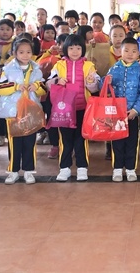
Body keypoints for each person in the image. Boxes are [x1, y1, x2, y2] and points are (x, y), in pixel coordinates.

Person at [47, 34, 100, 182]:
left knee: (81, 139)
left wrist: (91, 82)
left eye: (78, 48)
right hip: (64, 109)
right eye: (71, 48)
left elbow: (95, 87)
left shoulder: (89, 65)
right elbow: (48, 84)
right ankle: (64, 168)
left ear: (83, 49)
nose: (75, 51)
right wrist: (57, 81)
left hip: (83, 109)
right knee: (65, 140)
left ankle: (82, 168)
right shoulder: (59, 65)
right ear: (65, 49)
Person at [0, 38, 47, 185]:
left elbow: (44, 88)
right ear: (14, 53)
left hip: (30, 111)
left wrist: (36, 86)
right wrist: (15, 87)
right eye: (21, 52)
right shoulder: (7, 69)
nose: (25, 55)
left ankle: (29, 171)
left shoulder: (36, 69)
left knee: (30, 142)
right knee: (14, 142)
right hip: (12, 112)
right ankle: (13, 171)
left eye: (28, 52)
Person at [107, 37, 140, 182]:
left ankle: (131, 168)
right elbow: (105, 88)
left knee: (132, 142)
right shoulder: (114, 68)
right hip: (116, 114)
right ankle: (117, 168)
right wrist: (105, 81)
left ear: (138, 53)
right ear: (120, 51)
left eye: (134, 51)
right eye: (126, 51)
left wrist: (136, 110)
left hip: (132, 114)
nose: (130, 54)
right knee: (117, 141)